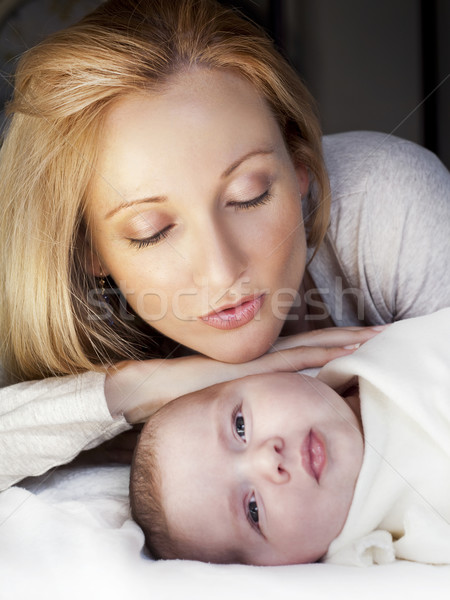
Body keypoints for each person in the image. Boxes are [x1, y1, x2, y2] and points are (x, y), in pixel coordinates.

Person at [0, 0, 449, 488]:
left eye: (248, 195)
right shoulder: (50, 312)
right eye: (152, 230)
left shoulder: (383, 200)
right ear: (90, 251)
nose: (221, 271)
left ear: (300, 167)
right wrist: (135, 390)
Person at [130, 309, 450, 567]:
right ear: (279, 566)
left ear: (258, 374)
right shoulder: (414, 536)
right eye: (253, 510)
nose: (269, 459)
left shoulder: (383, 343)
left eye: (240, 426)